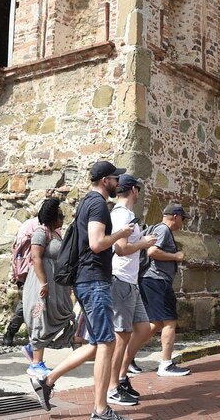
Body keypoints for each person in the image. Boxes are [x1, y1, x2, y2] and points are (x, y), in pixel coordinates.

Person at [34, 161, 133, 420]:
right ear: (105, 181)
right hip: (94, 281)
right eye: (115, 178)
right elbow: (97, 243)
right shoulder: (98, 204)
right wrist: (121, 233)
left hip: (88, 280)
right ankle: (100, 409)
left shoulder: (87, 202)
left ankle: (47, 380)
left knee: (96, 344)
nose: (118, 183)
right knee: (107, 343)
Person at [106, 174, 157, 407]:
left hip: (130, 281)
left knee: (144, 329)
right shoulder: (122, 214)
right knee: (122, 335)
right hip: (121, 279)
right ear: (134, 190)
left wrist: (142, 240)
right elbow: (121, 248)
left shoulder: (125, 214)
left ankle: (121, 375)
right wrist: (143, 243)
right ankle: (112, 387)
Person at [22, 198, 76, 379]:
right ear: (52, 217)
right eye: (60, 216)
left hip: (56, 283)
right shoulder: (40, 233)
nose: (63, 219)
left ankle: (33, 349)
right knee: (41, 317)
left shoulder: (56, 234)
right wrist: (43, 283)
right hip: (42, 282)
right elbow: (36, 258)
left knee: (64, 313)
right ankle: (36, 363)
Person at [140, 203, 191, 376]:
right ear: (176, 217)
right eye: (183, 219)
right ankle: (166, 365)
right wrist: (175, 256)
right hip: (157, 280)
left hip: (151, 280)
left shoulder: (157, 229)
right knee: (170, 321)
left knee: (155, 322)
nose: (183, 222)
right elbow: (152, 252)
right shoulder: (163, 230)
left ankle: (127, 353)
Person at [4, 212, 41, 346]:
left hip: (45, 271)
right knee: (25, 305)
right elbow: (19, 251)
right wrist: (20, 272)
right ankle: (11, 331)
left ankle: (39, 335)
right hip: (29, 272)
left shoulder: (54, 227)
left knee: (42, 305)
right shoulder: (30, 225)